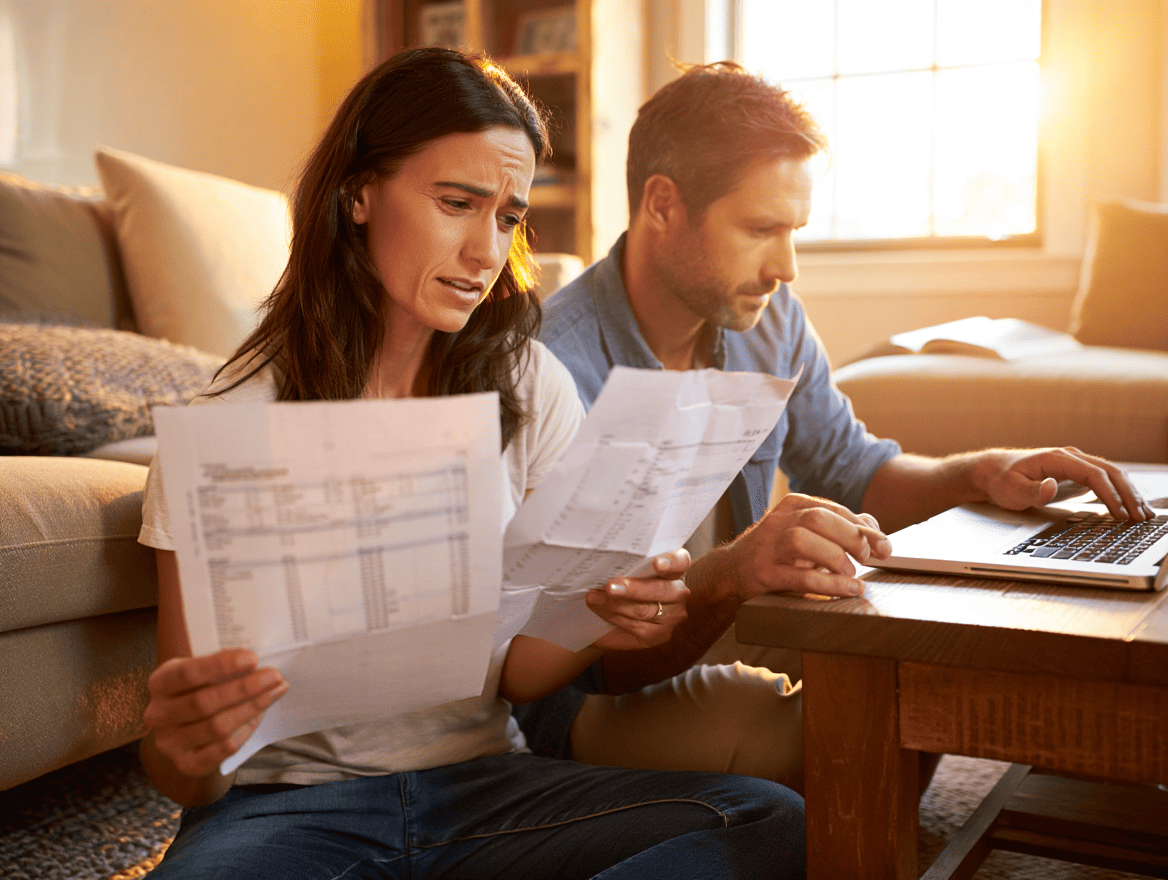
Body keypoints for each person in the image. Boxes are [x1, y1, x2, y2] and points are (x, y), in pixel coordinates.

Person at [136, 49, 806, 879]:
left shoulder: (526, 383)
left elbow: (521, 675)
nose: (486, 250)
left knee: (759, 817)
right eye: (457, 203)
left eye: (508, 217)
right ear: (358, 192)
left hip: (484, 789)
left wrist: (601, 613)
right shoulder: (226, 421)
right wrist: (181, 742)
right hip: (287, 808)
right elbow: (185, 774)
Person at [516, 60, 1156, 794]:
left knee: (929, 657)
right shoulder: (550, 368)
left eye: (793, 231)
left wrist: (979, 472)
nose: (786, 266)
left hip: (732, 619)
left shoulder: (768, 317)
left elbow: (855, 468)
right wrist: (733, 570)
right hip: (592, 696)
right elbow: (584, 654)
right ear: (662, 205)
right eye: (761, 229)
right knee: (843, 748)